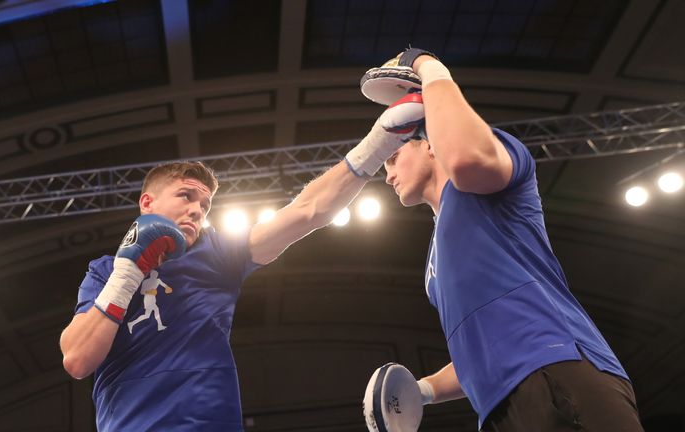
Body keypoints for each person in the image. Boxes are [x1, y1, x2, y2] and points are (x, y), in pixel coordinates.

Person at [58, 103, 409, 430]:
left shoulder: (218, 253)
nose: (197, 210)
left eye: (205, 205)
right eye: (186, 196)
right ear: (147, 202)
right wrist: (129, 271)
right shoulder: (105, 271)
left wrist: (380, 141)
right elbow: (77, 360)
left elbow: (308, 211)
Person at [362, 48, 645, 431]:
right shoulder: (432, 267)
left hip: (558, 368)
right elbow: (480, 354)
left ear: (429, 144)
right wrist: (423, 390)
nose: (387, 176)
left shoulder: (485, 175)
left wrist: (425, 64)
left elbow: (464, 159)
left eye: (393, 159)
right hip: (497, 407)